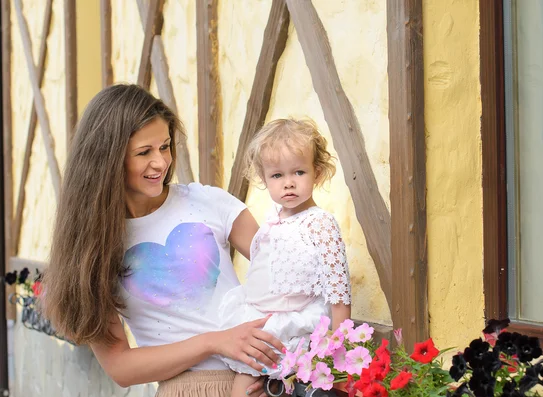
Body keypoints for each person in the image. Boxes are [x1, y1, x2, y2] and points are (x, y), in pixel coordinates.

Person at [40, 84, 285, 397]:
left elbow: (284, 271)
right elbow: (121, 367)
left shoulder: (208, 202)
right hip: (185, 389)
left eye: (165, 146)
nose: (161, 162)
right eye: (144, 152)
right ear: (107, 160)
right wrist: (215, 341)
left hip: (259, 380)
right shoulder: (92, 250)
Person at [219, 119, 352, 396]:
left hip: (295, 330)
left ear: (317, 172)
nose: (288, 183)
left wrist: (337, 353)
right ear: (264, 178)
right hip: (260, 327)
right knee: (242, 391)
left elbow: (339, 294)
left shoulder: (320, 224)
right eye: (277, 175)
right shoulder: (271, 220)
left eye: (299, 172)